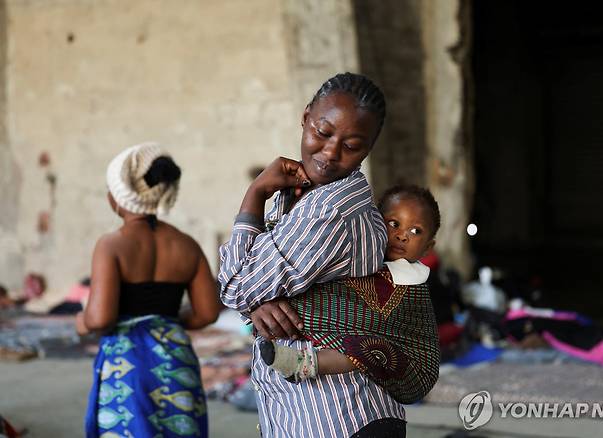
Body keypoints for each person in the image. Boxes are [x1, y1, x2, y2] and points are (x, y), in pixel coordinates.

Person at [218, 73, 407, 437]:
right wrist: (257, 302)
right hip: (317, 413)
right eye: (322, 132)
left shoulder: (330, 212)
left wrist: (255, 193)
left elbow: (234, 289)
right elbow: (247, 290)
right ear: (306, 117)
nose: (331, 153)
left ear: (368, 148)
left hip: (337, 415)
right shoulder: (302, 193)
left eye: (351, 145)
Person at [78, 143, 222, 438]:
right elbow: (207, 313)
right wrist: (166, 322)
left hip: (128, 365)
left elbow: (100, 319)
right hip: (175, 356)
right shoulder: (187, 245)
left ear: (115, 197)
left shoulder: (111, 245)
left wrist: (81, 322)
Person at [258, 185, 441, 405]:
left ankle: (304, 364)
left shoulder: (413, 283)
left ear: (428, 247)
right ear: (375, 223)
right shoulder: (354, 258)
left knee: (367, 348)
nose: (402, 235)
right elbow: (333, 299)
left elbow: (409, 335)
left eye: (415, 231)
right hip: (313, 399)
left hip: (390, 361)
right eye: (394, 224)